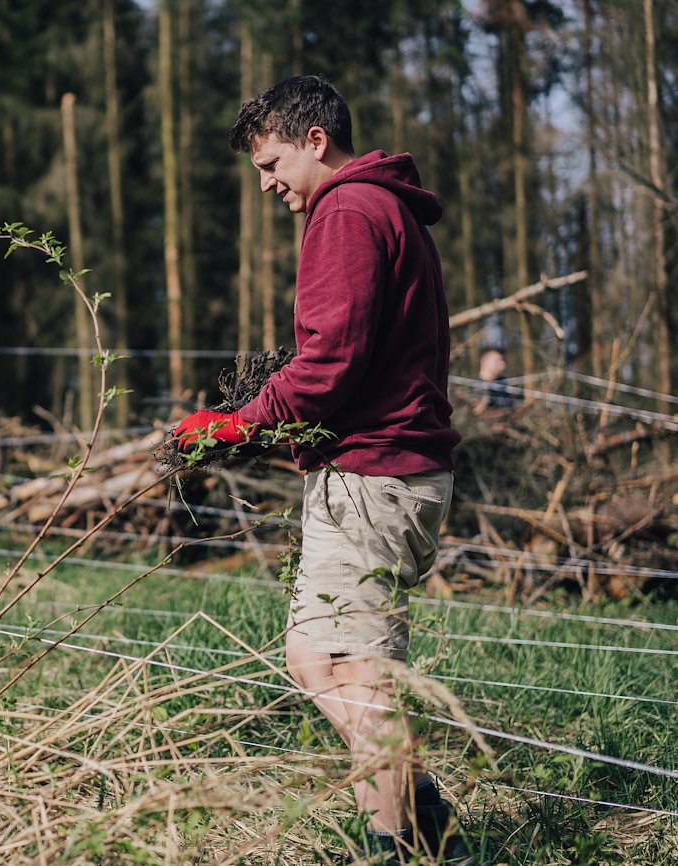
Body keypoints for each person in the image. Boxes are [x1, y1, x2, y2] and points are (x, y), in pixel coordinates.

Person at [171, 76, 479, 865]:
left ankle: (397, 841)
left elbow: (331, 358)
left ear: (315, 141)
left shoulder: (346, 210)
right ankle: (413, 814)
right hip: (393, 469)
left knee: (345, 665)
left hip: (373, 470)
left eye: (272, 163)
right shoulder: (386, 208)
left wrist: (240, 422)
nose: (268, 183)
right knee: (325, 657)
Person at [475, 345, 515, 411]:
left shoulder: (504, 386)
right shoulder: (470, 387)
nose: (503, 365)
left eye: (503, 361)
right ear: (484, 361)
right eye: (497, 361)